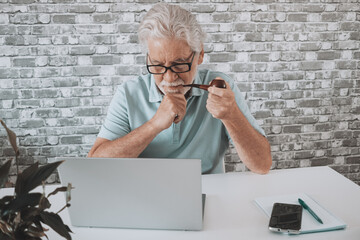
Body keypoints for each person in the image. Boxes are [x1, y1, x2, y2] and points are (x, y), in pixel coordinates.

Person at [88, 3, 272, 174]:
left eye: (179, 65)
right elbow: (95, 166)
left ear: (199, 55)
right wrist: (155, 124)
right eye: (158, 65)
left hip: (208, 193)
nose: (169, 78)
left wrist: (232, 115)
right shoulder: (129, 93)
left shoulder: (221, 88)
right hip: (144, 196)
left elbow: (262, 165)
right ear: (148, 58)